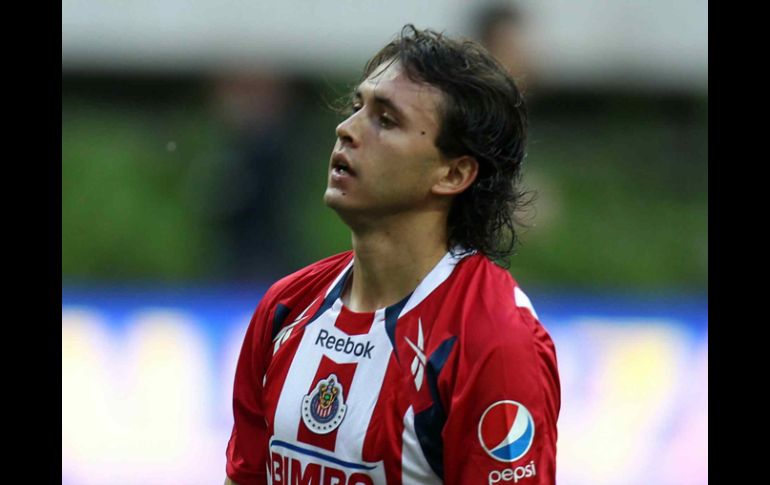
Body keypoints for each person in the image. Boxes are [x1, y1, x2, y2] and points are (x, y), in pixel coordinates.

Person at [225, 24, 560, 485]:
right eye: (357, 107)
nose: (346, 129)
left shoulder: (492, 340)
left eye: (386, 120)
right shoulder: (286, 310)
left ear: (452, 173)